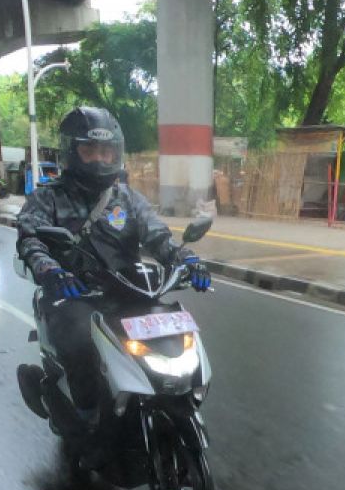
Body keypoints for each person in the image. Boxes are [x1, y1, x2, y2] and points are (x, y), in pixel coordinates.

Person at [16, 107, 211, 428]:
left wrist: (186, 259)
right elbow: (30, 239)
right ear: (72, 152)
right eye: (89, 151)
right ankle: (84, 416)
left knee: (173, 329)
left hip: (128, 288)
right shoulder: (47, 198)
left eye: (106, 152)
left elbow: (157, 235)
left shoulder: (128, 199)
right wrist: (52, 271)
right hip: (74, 292)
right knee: (79, 339)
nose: (99, 159)